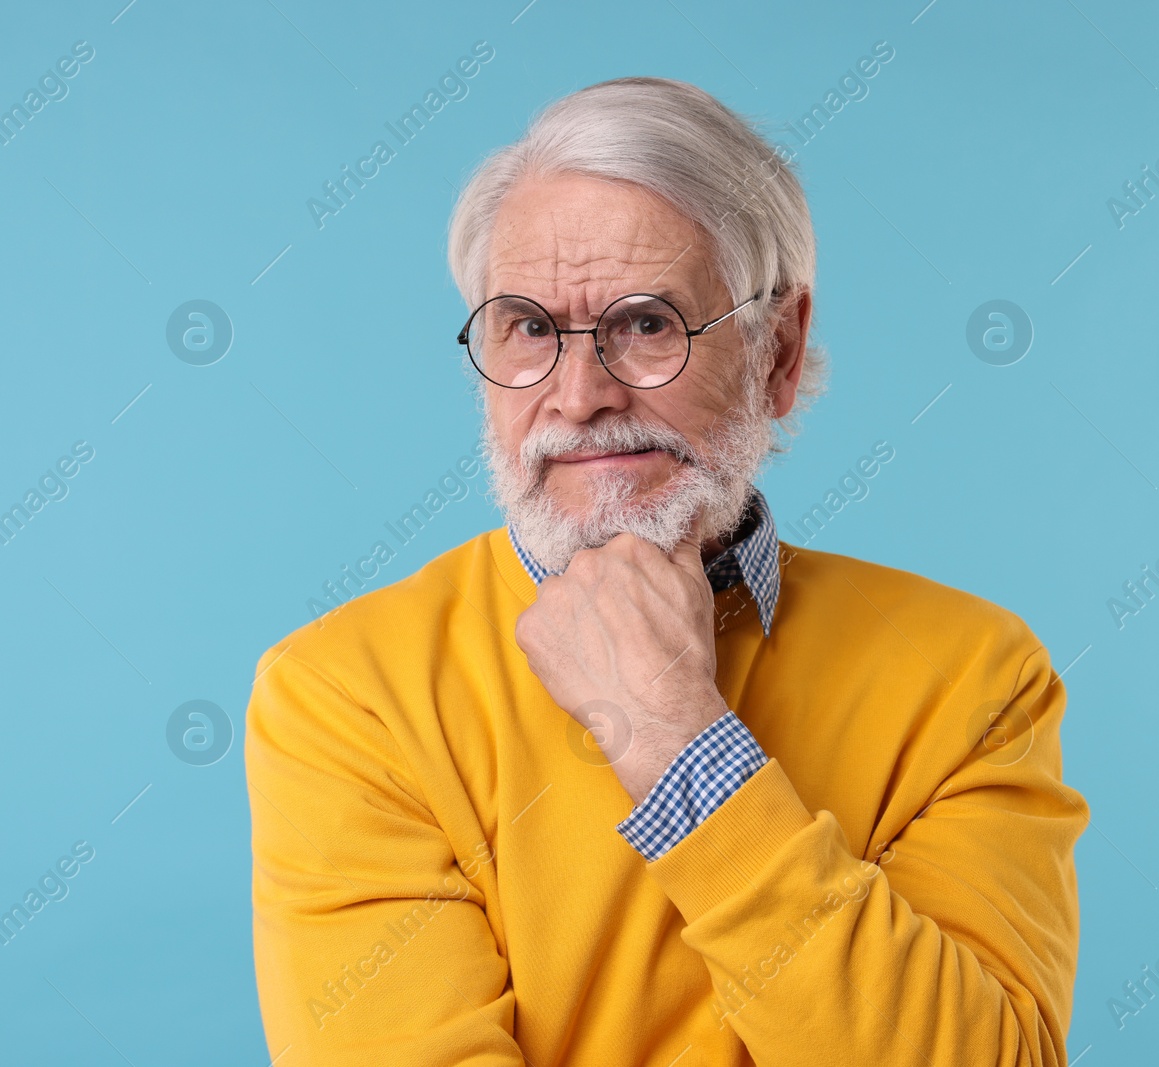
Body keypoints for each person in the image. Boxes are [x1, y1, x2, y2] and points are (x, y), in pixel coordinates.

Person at [245, 76, 1088, 1066]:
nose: (579, 393)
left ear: (777, 349)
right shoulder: (347, 694)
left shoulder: (973, 675)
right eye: (526, 326)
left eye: (645, 322)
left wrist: (682, 744)